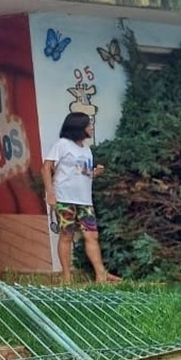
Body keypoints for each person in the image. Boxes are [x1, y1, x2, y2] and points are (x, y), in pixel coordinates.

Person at [43, 113, 120, 285]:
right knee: (66, 236)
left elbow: (82, 172)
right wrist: (50, 193)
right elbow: (46, 168)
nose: (91, 128)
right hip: (64, 198)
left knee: (92, 235)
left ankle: (101, 275)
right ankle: (66, 278)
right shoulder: (62, 145)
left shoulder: (86, 149)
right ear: (78, 127)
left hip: (84, 200)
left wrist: (95, 173)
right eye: (88, 125)